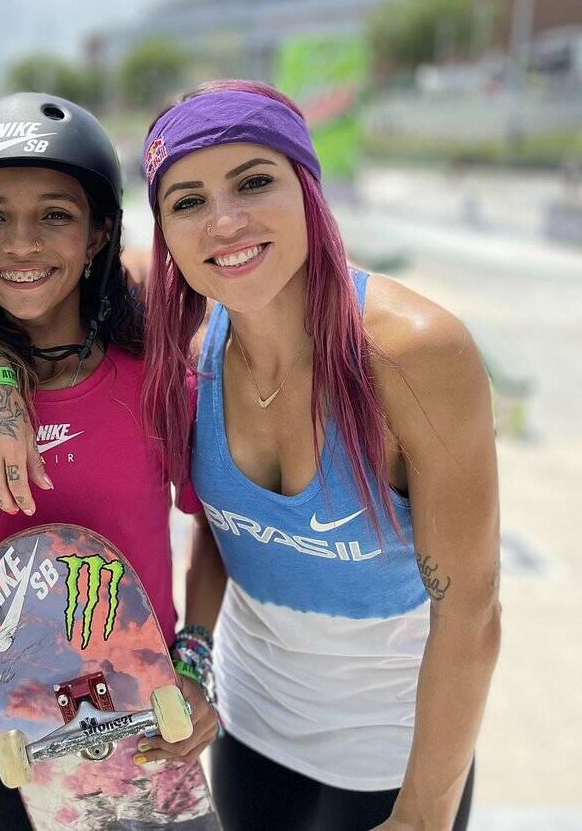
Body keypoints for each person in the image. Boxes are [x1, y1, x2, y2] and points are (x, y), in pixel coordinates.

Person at [139, 80, 501, 831]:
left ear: (307, 186)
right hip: (254, 736)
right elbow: (221, 525)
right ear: (167, 233)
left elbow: (470, 609)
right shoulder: (193, 352)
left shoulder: (410, 353)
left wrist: (424, 814)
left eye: (254, 181)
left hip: (395, 760)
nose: (226, 221)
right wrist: (193, 658)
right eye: (188, 201)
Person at [0, 92, 221, 829]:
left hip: (147, 710)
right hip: (3, 729)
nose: (21, 244)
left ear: (98, 232)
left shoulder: (154, 379)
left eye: (55, 215)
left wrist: (195, 661)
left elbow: (216, 532)